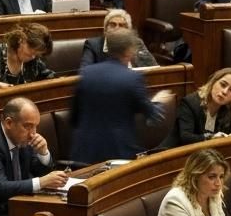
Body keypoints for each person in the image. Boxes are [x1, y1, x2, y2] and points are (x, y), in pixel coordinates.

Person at [70, 28, 173, 164]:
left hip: (84, 151)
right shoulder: (133, 78)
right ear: (129, 51)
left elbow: (74, 116)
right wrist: (158, 100)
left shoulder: (87, 73)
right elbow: (153, 117)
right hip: (117, 153)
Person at [159, 67, 231, 149]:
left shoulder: (226, 109)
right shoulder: (190, 103)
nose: (225, 92)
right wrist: (211, 138)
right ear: (213, 82)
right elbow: (186, 137)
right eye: (223, 85)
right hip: (171, 153)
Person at [81, 9, 158, 69]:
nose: (117, 28)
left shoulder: (137, 43)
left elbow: (154, 68)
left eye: (121, 25)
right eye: (112, 25)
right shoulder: (92, 45)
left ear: (128, 31)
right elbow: (85, 73)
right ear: (105, 29)